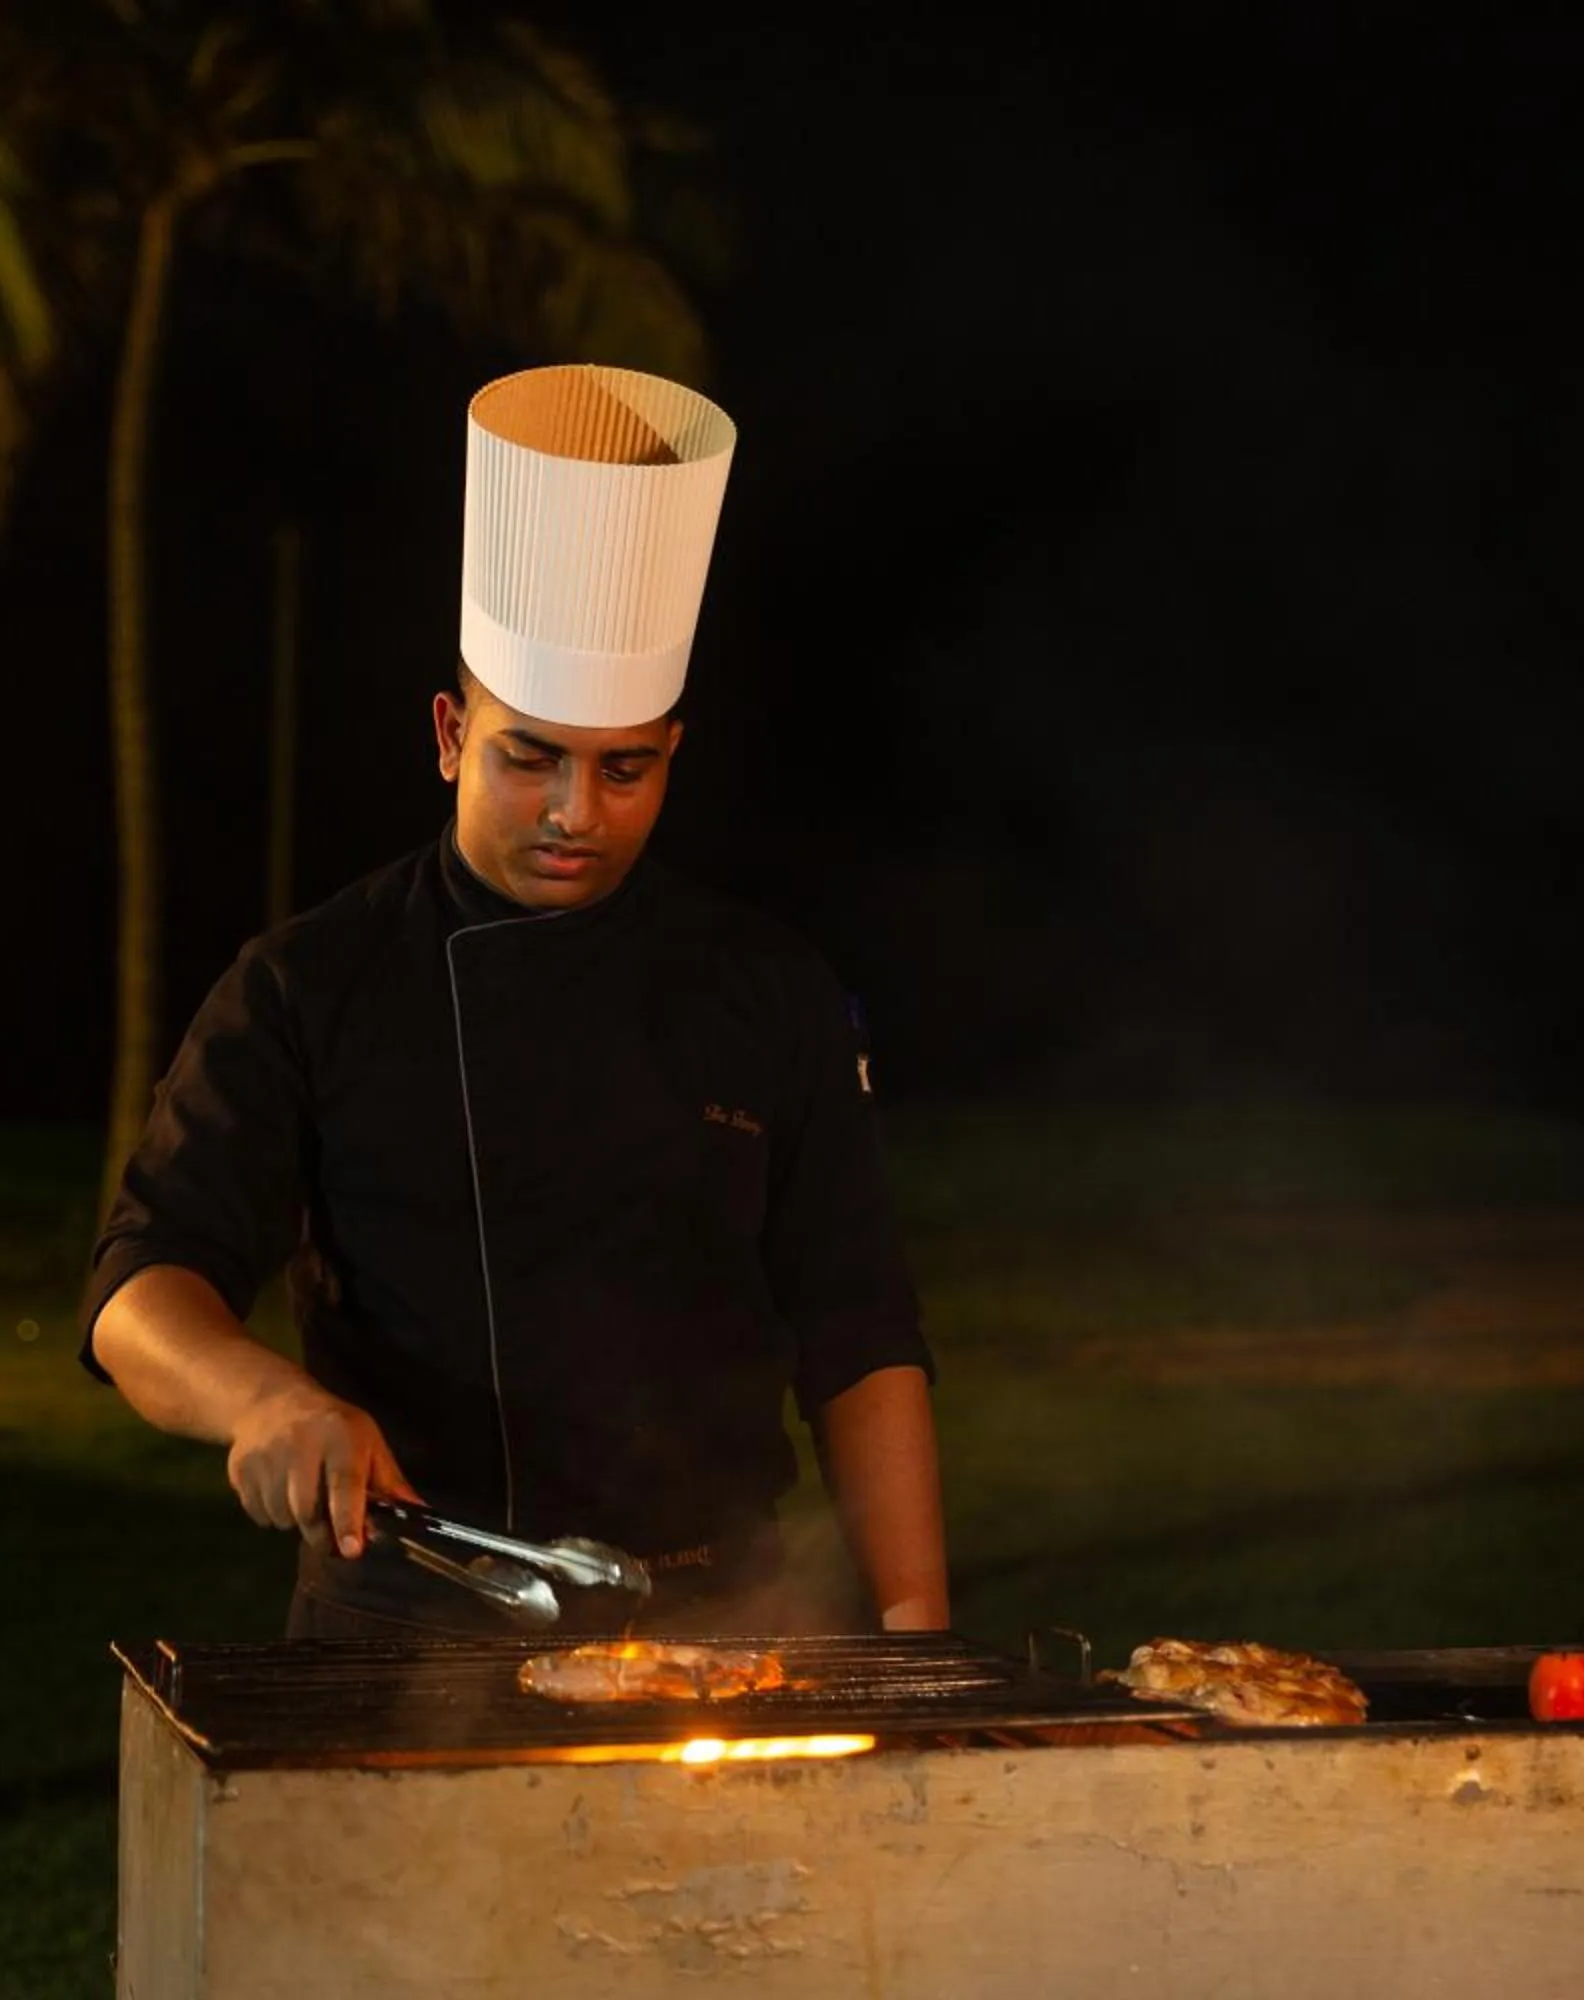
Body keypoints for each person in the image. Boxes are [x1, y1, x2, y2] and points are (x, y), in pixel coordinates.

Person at [80, 364, 948, 1642]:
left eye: (624, 769)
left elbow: (858, 1328)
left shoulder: (768, 990)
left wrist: (917, 1620)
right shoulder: (311, 982)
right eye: (527, 753)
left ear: (671, 756)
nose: (574, 813)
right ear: (448, 730)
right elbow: (138, 1291)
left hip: (719, 1625)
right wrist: (265, 1399)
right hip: (404, 1619)